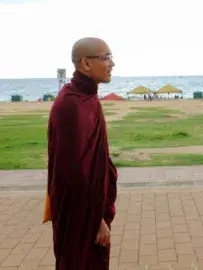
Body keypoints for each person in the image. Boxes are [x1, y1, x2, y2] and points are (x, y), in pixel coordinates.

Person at [47, 37, 118, 270]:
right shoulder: (72, 105)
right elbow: (72, 173)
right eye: (106, 57)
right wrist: (94, 220)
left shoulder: (85, 98)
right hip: (81, 215)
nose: (112, 63)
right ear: (86, 64)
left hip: (90, 207)